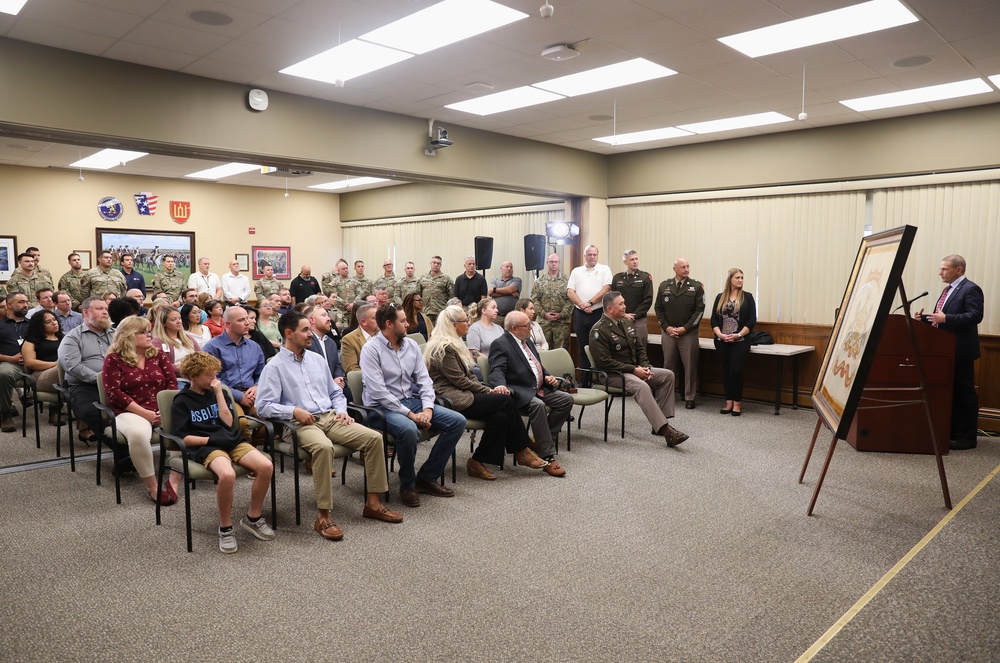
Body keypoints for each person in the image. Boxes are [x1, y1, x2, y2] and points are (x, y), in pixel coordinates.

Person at [258, 310, 402, 539]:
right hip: (298, 424)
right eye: (304, 330)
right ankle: (323, 516)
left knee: (374, 438)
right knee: (324, 448)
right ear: (288, 333)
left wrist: (343, 411)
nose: (309, 334)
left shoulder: (316, 359)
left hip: (330, 416)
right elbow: (263, 406)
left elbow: (336, 393)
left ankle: (373, 504)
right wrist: (293, 410)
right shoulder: (274, 366)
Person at [360, 302, 466, 507]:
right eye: (403, 321)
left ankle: (426, 477)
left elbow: (425, 380)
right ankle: (407, 485)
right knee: (409, 429)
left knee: (457, 421)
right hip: (380, 409)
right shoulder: (371, 350)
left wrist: (427, 408)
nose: (408, 324)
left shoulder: (410, 346)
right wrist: (411, 415)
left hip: (410, 402)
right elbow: (379, 393)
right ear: (389, 324)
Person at [425, 305, 549, 479]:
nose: (469, 323)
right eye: (465, 320)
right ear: (453, 324)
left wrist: (487, 390)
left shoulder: (455, 342)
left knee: (501, 417)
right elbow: (460, 381)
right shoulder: (443, 347)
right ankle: (522, 450)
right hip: (451, 399)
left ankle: (477, 461)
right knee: (505, 401)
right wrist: (489, 391)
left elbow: (468, 376)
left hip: (464, 392)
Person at [172, 352, 275, 553]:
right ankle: (225, 527)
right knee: (227, 475)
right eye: (209, 375)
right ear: (193, 376)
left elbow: (228, 423)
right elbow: (182, 438)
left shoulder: (219, 392)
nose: (214, 379)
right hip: (206, 445)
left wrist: (219, 393)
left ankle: (252, 518)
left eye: (215, 374)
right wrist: (210, 439)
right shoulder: (181, 401)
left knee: (266, 466)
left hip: (230, 439)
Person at [590, 292, 689, 447]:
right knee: (641, 386)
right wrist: (634, 370)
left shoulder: (626, 323)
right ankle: (667, 432)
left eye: (624, 303)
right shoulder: (598, 330)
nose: (625, 307)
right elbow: (604, 362)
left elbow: (639, 348)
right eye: (621, 304)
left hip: (632, 370)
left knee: (667, 375)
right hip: (611, 374)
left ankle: (659, 423)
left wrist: (645, 366)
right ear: (609, 309)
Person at [101, 315, 179, 504]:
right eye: (142, 332)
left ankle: (174, 482)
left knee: (183, 427)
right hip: (129, 411)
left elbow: (172, 382)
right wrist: (146, 414)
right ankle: (153, 486)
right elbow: (115, 393)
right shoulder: (114, 359)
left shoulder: (158, 354)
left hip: (160, 409)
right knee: (137, 433)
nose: (149, 335)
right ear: (128, 336)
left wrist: (164, 410)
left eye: (148, 331)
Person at [487, 311, 571, 477]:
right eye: (527, 325)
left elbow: (537, 364)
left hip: (538, 387)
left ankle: (538, 443)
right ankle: (548, 455)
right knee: (537, 405)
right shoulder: (501, 344)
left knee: (566, 400)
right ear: (514, 328)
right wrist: (501, 386)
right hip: (519, 391)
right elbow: (497, 370)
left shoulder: (528, 341)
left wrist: (547, 376)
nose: (531, 327)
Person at [915, 254, 984, 450]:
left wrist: (946, 318)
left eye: (944, 269)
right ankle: (954, 432)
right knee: (951, 393)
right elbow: (943, 319)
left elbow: (975, 316)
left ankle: (969, 437)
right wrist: (925, 319)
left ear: (959, 270)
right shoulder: (949, 290)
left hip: (961, 351)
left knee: (965, 394)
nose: (940, 272)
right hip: (946, 351)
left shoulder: (971, 289)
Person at [57, 297, 115, 445]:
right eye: (99, 309)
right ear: (85, 312)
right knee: (92, 412)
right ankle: (122, 451)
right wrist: (101, 379)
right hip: (84, 385)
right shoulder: (72, 337)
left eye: (106, 309)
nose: (105, 312)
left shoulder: (116, 335)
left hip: (116, 383)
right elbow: (73, 367)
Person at [655, 258, 706, 410]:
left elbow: (699, 311)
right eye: (682, 267)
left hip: (688, 333)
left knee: (690, 366)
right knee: (667, 366)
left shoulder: (696, 286)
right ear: (675, 269)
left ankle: (690, 397)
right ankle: (666, 395)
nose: (686, 269)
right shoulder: (664, 286)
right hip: (668, 332)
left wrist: (686, 328)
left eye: (687, 266)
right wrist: (666, 327)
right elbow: (658, 309)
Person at [203, 307, 266, 424]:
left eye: (247, 318)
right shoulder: (212, 347)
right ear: (228, 324)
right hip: (225, 395)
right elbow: (212, 379)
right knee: (240, 423)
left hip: (251, 393)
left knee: (271, 417)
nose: (247, 323)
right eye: (241, 320)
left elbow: (262, 372)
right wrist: (239, 396)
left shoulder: (254, 347)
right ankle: (244, 442)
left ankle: (255, 442)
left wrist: (257, 386)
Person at [710, 268, 756, 416]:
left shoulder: (747, 297)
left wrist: (738, 335)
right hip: (722, 340)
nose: (740, 280)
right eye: (737, 277)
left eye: (742, 278)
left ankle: (737, 403)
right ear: (730, 279)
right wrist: (720, 335)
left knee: (735, 371)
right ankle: (728, 402)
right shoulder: (720, 297)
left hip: (740, 340)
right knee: (725, 371)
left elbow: (751, 320)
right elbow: (714, 319)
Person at [567, 245, 613, 378]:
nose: (592, 257)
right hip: (580, 314)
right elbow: (570, 291)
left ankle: (598, 380)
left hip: (597, 313)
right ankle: (584, 380)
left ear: (597, 255)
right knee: (582, 348)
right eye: (589, 254)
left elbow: (606, 288)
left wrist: (590, 302)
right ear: (584, 256)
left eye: (594, 254)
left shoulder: (604, 269)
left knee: (598, 348)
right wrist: (582, 305)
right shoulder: (576, 271)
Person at [22, 310, 65, 426]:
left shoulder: (64, 338)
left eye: (55, 319)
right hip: (40, 376)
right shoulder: (31, 341)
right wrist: (55, 364)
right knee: (65, 369)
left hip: (61, 373)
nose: (54, 323)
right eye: (48, 322)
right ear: (40, 326)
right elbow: (30, 362)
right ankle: (56, 409)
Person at [0, 293, 31, 431]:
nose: (25, 305)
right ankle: (6, 414)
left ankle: (55, 410)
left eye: (26, 302)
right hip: (11, 364)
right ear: (9, 305)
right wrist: (10, 358)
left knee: (58, 369)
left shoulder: (33, 325)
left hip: (34, 364)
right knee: (4, 373)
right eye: (21, 302)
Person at [303, 304, 348, 396]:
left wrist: (338, 377)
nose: (329, 319)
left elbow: (337, 365)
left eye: (327, 315)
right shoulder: (305, 341)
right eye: (324, 315)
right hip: (314, 390)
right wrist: (331, 383)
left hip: (334, 387)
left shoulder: (330, 342)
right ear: (312, 320)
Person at [531, 253, 572, 351]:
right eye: (551, 262)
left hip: (561, 322)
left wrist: (561, 314)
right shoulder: (539, 281)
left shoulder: (567, 280)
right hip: (544, 322)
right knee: (543, 350)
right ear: (547, 263)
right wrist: (544, 314)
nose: (554, 264)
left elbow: (570, 299)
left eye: (556, 262)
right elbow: (535, 299)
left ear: (559, 263)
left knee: (561, 351)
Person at [612, 250, 653, 345]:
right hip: (621, 319)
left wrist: (634, 315)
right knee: (621, 349)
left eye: (636, 259)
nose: (635, 261)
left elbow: (648, 300)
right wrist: (624, 315)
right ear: (625, 262)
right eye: (632, 259)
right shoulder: (617, 278)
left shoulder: (645, 277)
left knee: (640, 349)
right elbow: (613, 299)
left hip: (639, 320)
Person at [152, 307, 200, 378]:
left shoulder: (188, 337)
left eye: (179, 318)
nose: (179, 321)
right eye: (173, 320)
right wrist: (189, 369)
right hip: (177, 378)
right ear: (164, 323)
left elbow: (201, 355)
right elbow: (163, 365)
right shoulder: (157, 342)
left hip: (196, 376)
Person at [340, 303, 379, 373]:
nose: (380, 320)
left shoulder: (386, 335)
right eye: (375, 318)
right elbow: (352, 370)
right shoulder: (349, 340)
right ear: (363, 322)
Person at [419, 256, 453, 324]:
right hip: (426, 312)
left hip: (440, 312)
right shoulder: (423, 278)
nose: (436, 265)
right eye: (434, 263)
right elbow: (418, 294)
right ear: (430, 264)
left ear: (441, 265)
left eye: (438, 263)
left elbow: (451, 296)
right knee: (427, 333)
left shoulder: (446, 279)